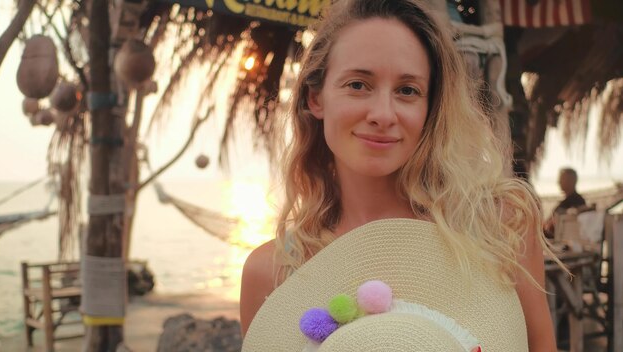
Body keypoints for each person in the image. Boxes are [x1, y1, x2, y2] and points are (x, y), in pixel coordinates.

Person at [240, 0, 562, 350]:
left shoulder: (499, 226)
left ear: (430, 107)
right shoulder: (272, 272)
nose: (383, 114)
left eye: (407, 90)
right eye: (358, 85)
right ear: (315, 98)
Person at [543, 167, 587, 238]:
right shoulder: (567, 202)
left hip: (557, 240)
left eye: (562, 179)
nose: (559, 182)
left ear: (571, 181)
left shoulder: (577, 202)